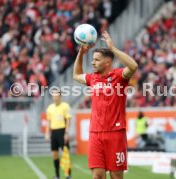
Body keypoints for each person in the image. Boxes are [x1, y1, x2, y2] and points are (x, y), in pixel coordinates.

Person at [73, 31, 138, 179]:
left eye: (96, 60)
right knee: (97, 176)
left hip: (115, 133)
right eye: (93, 59)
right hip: (95, 132)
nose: (92, 62)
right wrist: (81, 53)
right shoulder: (93, 78)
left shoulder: (119, 76)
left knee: (116, 176)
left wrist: (113, 49)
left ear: (107, 62)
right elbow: (76, 75)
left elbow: (133, 66)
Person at [45, 89, 72, 179]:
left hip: (62, 131)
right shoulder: (50, 108)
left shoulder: (65, 106)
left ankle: (68, 175)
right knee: (54, 154)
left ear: (60, 96)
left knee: (65, 154)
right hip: (54, 132)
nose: (55, 97)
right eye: (53, 96)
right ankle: (57, 175)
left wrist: (66, 133)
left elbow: (68, 120)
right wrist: (47, 132)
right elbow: (48, 122)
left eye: (56, 95)